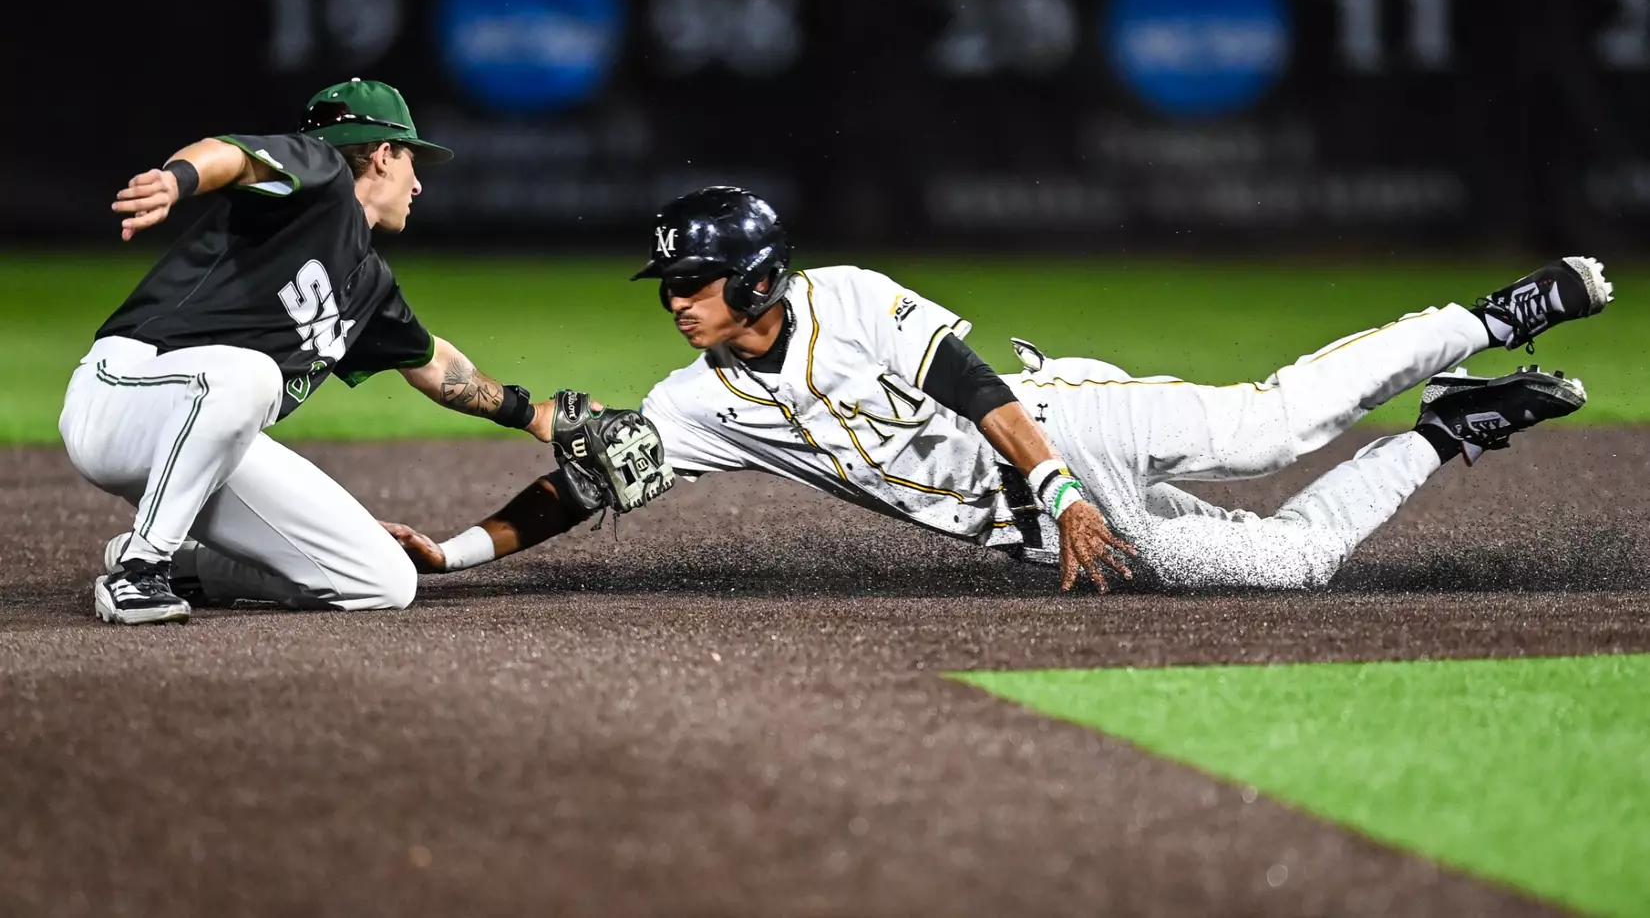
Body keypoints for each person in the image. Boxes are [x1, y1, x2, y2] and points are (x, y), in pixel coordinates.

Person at [383, 186, 1610, 593]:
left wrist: (1065, 487)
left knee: (1269, 426)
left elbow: (970, 383)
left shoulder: (848, 297)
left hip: (1061, 427)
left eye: (690, 282)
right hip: (1030, 521)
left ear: (751, 275)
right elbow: (585, 481)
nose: (674, 301)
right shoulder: (695, 400)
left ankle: (1492, 315)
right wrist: (455, 548)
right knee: (1290, 567)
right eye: (667, 284)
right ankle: (1450, 427)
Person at [60, 78, 571, 625]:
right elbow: (232, 155)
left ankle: (190, 568)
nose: (418, 183)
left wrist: (535, 417)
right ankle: (139, 571)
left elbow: (434, 366)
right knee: (254, 376)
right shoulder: (323, 174)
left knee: (383, 578)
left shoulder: (368, 283)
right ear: (383, 155)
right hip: (123, 398)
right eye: (411, 160)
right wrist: (175, 180)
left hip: (209, 445)